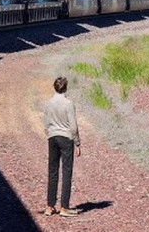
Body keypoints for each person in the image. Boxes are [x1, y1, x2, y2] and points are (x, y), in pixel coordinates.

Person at [43, 77, 82, 217]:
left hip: (52, 137)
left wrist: (49, 134)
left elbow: (46, 122)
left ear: (55, 87)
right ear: (66, 88)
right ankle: (64, 207)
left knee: (52, 171)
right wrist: (77, 143)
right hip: (66, 138)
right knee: (66, 172)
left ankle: (49, 205)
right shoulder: (69, 104)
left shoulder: (48, 103)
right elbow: (73, 126)